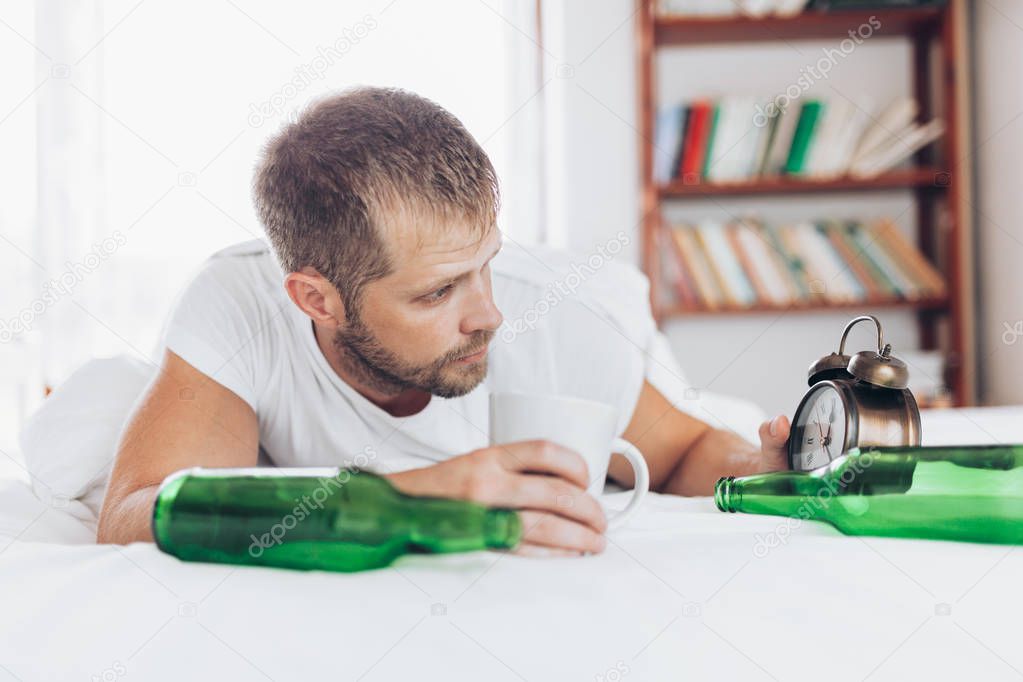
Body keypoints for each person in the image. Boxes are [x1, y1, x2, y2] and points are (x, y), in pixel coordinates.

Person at [97, 86, 791, 556]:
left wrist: (762, 468)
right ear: (316, 300)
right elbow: (134, 513)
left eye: (486, 263)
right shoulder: (239, 304)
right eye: (437, 293)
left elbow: (685, 452)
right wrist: (419, 498)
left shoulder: (554, 322)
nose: (488, 314)